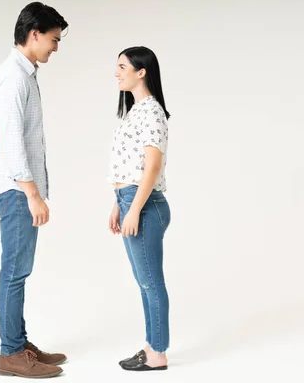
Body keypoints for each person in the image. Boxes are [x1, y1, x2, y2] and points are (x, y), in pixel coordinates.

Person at [0, 1, 68, 379]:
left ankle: (18, 341)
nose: (55, 47)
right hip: (16, 191)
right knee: (14, 272)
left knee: (19, 271)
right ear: (34, 34)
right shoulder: (14, 76)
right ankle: (10, 354)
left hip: (16, 188)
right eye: (54, 39)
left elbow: (7, 133)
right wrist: (33, 195)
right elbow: (13, 143)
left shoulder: (22, 73)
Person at [107, 46, 171, 371]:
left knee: (150, 281)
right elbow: (128, 165)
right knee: (144, 280)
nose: (116, 72)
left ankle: (157, 352)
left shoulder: (152, 112)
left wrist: (133, 209)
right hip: (131, 201)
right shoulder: (134, 111)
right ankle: (151, 346)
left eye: (122, 66)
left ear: (141, 71)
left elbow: (152, 166)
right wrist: (119, 205)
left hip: (145, 205)